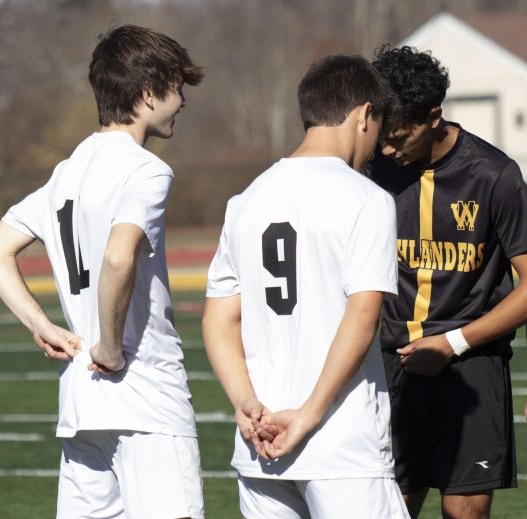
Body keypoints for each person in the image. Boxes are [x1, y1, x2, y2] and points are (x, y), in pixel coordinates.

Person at [0, 25, 205, 519]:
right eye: (176, 88)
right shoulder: (146, 169)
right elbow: (119, 258)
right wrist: (112, 348)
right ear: (147, 93)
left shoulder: (67, 171)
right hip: (145, 397)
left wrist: (42, 327)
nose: (182, 101)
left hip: (82, 400)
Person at [202, 55, 409, 519]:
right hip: (340, 445)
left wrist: (246, 404)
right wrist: (309, 415)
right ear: (363, 115)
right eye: (377, 126)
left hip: (261, 446)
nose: (376, 144)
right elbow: (362, 316)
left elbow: (218, 318)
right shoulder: (368, 199)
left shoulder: (245, 200)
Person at [365, 44, 527, 519]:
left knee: (465, 513)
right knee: (389, 510)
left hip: (471, 366)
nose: (389, 149)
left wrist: (453, 343)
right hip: (390, 366)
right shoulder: (371, 165)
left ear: (433, 116)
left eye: (400, 136)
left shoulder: (496, 175)